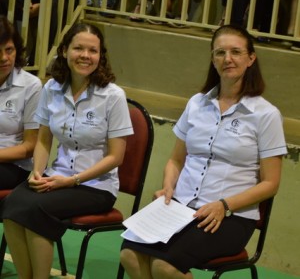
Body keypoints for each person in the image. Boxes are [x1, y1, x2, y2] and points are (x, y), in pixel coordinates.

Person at [120, 24, 287, 279]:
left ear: (251, 58)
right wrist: (168, 187)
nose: (227, 59)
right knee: (130, 255)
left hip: (231, 216)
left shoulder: (266, 114)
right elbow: (175, 160)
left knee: (164, 266)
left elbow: (271, 184)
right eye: (220, 53)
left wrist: (224, 205)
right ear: (212, 58)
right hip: (181, 207)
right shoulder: (197, 103)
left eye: (236, 52)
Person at [0, 22, 133, 278]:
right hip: (56, 176)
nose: (85, 55)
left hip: (95, 186)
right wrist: (36, 172)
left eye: (92, 50)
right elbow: (43, 140)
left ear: (100, 56)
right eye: (78, 48)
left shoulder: (113, 96)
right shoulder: (52, 88)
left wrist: (71, 181)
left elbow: (116, 157)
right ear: (64, 51)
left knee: (35, 209)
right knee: (12, 205)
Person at [0, 15, 42, 190]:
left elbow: (30, 146)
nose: (4, 58)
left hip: (14, 166)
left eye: (9, 50)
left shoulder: (31, 85)